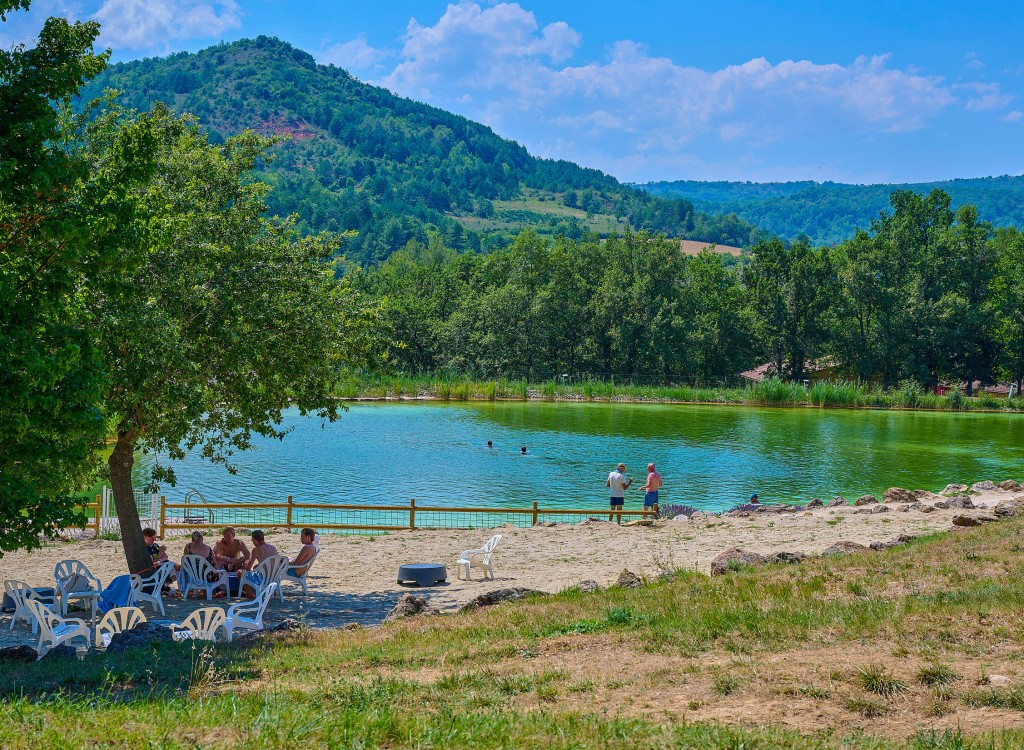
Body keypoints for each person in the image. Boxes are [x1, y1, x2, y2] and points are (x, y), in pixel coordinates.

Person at [241, 529, 279, 596]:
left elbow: (247, 569)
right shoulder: (273, 547)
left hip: (262, 580)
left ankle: (250, 594)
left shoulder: (256, 549)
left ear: (254, 539)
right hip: (273, 578)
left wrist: (245, 564)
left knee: (240, 573)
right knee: (256, 568)